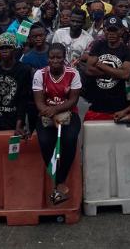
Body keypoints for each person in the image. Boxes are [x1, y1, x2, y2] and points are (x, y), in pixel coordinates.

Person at [32, 43, 82, 205]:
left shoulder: (73, 74)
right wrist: (49, 112)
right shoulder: (40, 74)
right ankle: (59, 184)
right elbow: (39, 102)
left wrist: (56, 110)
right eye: (52, 57)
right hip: (46, 113)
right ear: (48, 58)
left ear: (64, 58)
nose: (55, 60)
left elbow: (74, 99)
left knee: (69, 139)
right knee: (46, 142)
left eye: (58, 57)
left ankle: (60, 182)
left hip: (68, 113)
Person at [83, 16, 130, 122]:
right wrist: (116, 72)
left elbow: (125, 75)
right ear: (104, 31)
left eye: (115, 30)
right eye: (109, 30)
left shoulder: (127, 51)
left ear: (121, 31)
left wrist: (101, 65)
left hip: (119, 106)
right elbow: (89, 70)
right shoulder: (98, 46)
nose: (111, 34)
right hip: (97, 104)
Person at [0, 33, 31, 135]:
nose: (4, 50)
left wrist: (19, 125)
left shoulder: (24, 69)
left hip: (15, 118)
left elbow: (23, 99)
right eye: (1, 47)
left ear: (15, 49)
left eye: (8, 47)